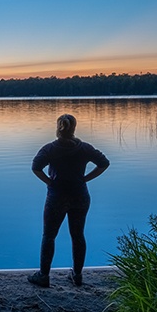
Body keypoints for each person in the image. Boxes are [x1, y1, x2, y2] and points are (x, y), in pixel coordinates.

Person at [28, 113, 110, 288]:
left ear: (58, 127)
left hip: (56, 196)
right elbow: (104, 163)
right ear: (74, 128)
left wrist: (49, 182)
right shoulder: (84, 148)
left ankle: (44, 276)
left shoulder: (50, 149)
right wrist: (85, 179)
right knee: (78, 235)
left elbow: (35, 167)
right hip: (80, 195)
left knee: (49, 235)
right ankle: (77, 275)